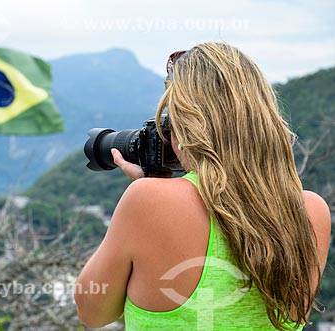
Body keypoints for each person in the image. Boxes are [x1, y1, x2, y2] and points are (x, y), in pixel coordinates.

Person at [74, 42, 331, 330]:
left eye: (171, 121)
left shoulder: (148, 201)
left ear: (187, 128)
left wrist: (155, 192)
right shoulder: (311, 211)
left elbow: (92, 311)